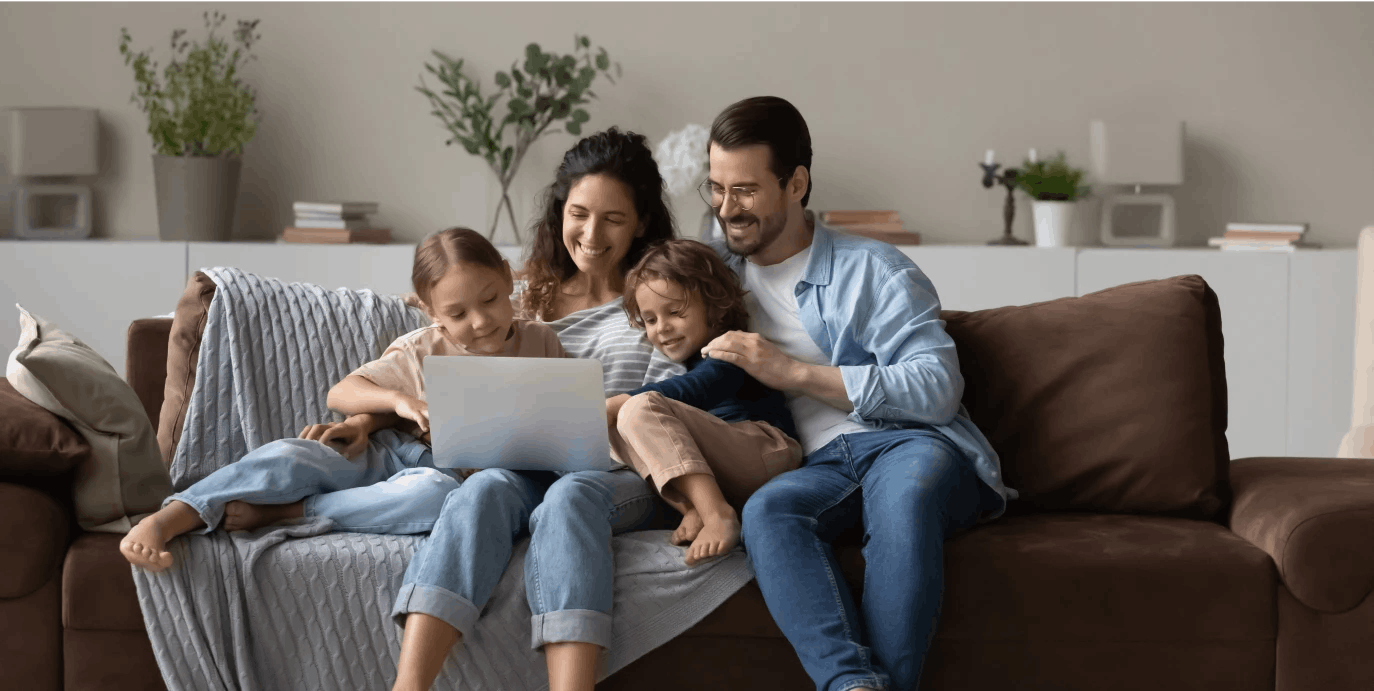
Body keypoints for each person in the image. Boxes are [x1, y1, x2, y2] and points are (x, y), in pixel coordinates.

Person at [697, 96, 1015, 691]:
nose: (725, 209)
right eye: (714, 188)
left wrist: (793, 372)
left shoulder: (874, 269)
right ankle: (851, 685)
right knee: (768, 511)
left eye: (744, 191)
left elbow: (937, 387)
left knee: (906, 498)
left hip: (908, 445)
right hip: (817, 465)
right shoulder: (711, 275)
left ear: (796, 183)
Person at [389, 127, 681, 691]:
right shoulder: (529, 296)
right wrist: (362, 416)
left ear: (642, 221)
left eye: (613, 219)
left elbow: (676, 398)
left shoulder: (662, 295)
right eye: (578, 213)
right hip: (528, 462)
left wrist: (606, 410)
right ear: (559, 213)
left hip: (620, 470)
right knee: (482, 490)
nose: (590, 234)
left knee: (571, 496)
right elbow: (450, 315)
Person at [118, 226, 564, 572]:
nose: (481, 321)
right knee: (294, 455)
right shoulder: (423, 347)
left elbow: (560, 416)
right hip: (389, 452)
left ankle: (293, 513)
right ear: (432, 313)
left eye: (489, 299)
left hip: (444, 474)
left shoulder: (542, 341)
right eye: (458, 314)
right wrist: (399, 402)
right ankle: (173, 516)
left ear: (508, 278)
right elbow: (342, 392)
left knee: (436, 498)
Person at [607, 238, 802, 565]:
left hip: (768, 450)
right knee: (619, 426)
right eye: (651, 320)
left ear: (714, 306)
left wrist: (619, 401)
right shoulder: (693, 357)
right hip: (727, 463)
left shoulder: (732, 348)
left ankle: (718, 516)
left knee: (636, 408)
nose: (662, 328)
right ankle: (693, 508)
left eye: (675, 312)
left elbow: (696, 389)